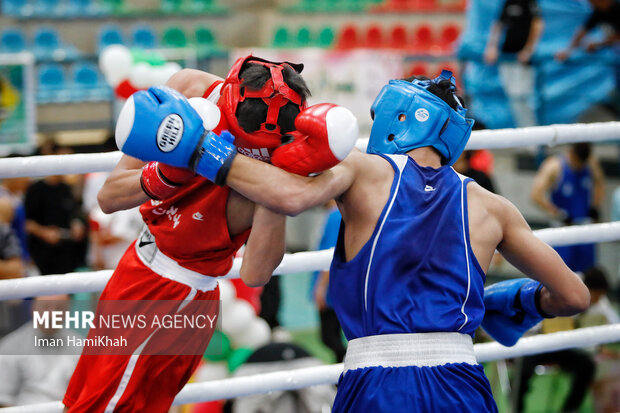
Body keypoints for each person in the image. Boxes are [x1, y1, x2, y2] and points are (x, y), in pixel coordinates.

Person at [120, 70, 590, 411]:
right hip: (464, 381)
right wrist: (516, 302)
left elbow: (286, 197)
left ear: (402, 115)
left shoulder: (363, 170)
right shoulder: (493, 207)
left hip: (378, 382)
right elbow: (574, 295)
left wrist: (199, 149)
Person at [63, 55, 356, 412]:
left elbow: (256, 273)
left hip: (180, 293)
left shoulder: (277, 163)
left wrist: (276, 179)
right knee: (99, 401)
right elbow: (109, 197)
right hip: (137, 269)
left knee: (103, 406)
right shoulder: (189, 89)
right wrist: (164, 174)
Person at [530, 142, 605, 272]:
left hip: (585, 230)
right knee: (562, 275)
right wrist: (558, 213)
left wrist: (595, 206)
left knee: (587, 276)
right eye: (578, 162)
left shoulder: (590, 163)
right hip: (563, 230)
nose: (580, 166)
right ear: (572, 153)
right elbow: (535, 195)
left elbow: (600, 183)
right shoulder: (554, 166)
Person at [0, 295, 81, 407]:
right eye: (46, 307)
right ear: (33, 308)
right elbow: (4, 398)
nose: (52, 314)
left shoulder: (81, 345)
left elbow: (85, 393)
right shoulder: (10, 345)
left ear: (68, 312)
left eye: (59, 308)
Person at [484, 0, 544, 127]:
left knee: (524, 98)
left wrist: (528, 49)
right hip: (507, 56)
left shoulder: (529, 3)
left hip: (523, 59)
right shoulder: (508, 3)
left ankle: (533, 137)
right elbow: (498, 24)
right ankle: (525, 137)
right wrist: (492, 47)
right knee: (513, 98)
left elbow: (538, 24)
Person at [312, 200, 346, 363]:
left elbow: (331, 253)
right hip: (335, 287)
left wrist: (321, 288)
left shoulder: (335, 216)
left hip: (332, 288)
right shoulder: (335, 215)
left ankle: (344, 370)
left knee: (329, 337)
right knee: (332, 336)